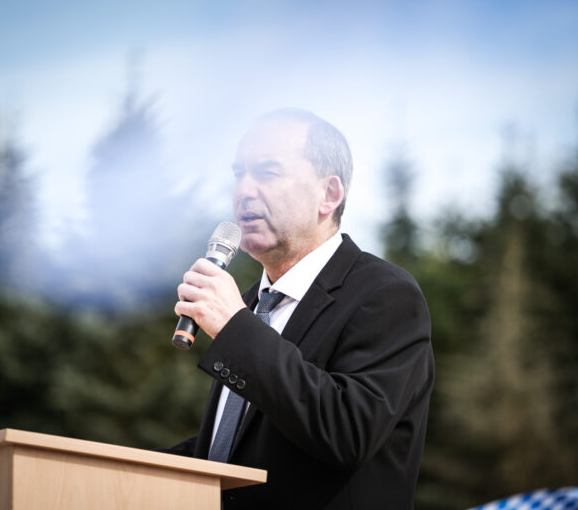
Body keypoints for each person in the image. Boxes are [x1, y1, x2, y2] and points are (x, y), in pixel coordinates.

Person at [168, 108, 434, 509]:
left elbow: (348, 431)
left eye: (267, 172)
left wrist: (236, 327)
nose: (244, 190)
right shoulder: (251, 304)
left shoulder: (386, 295)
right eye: (239, 174)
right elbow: (240, 448)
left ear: (329, 194)